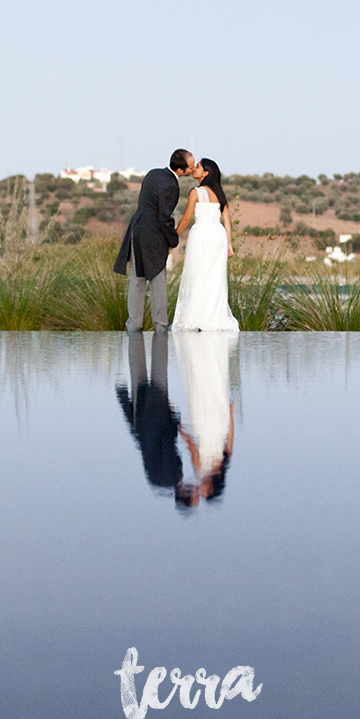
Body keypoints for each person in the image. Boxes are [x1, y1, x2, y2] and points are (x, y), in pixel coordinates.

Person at [113, 150, 193, 333]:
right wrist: (173, 240)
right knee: (158, 280)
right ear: (180, 170)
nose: (193, 168)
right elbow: (164, 217)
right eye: (190, 166)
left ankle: (133, 325)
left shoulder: (153, 173)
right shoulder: (172, 186)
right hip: (154, 235)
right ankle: (161, 326)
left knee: (136, 279)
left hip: (136, 228)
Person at [170, 156, 239, 332]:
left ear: (206, 173)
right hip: (218, 235)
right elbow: (227, 219)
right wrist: (229, 243)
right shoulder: (219, 193)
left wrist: (173, 236)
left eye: (198, 166)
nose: (194, 168)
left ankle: (196, 317)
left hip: (201, 234)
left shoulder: (196, 192)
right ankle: (213, 317)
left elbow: (186, 218)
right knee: (215, 278)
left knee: (197, 274)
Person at [173, 331, 236, 510]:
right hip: (210, 425)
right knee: (204, 388)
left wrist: (230, 416)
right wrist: (181, 428)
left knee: (207, 388)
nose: (200, 489)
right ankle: (205, 354)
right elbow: (191, 444)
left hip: (214, 425)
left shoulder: (208, 468)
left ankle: (206, 353)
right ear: (212, 486)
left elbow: (193, 446)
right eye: (204, 490)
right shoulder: (211, 466)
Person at [115, 330, 182, 495]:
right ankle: (138, 341)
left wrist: (175, 420)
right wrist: (122, 396)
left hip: (158, 410)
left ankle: (156, 338)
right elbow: (137, 437)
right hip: (141, 416)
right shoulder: (154, 481)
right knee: (137, 369)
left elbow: (168, 443)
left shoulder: (174, 475)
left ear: (186, 493)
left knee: (159, 366)